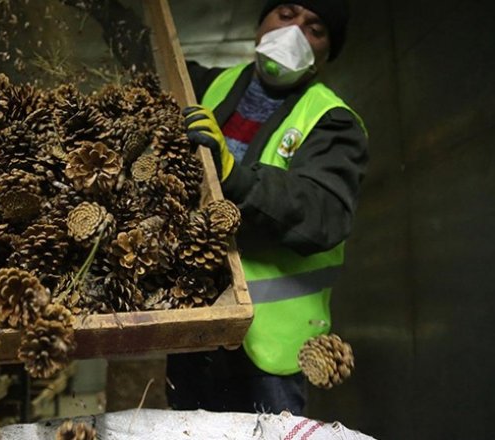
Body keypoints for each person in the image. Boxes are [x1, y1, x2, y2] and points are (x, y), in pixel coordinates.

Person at [166, 0, 368, 416]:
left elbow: (322, 212)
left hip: (268, 352)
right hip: (197, 323)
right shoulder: (209, 85)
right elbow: (152, 48)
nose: (294, 32)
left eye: (315, 28)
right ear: (261, 23)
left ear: (327, 52)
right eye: (287, 14)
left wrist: (234, 175)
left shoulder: (333, 122)